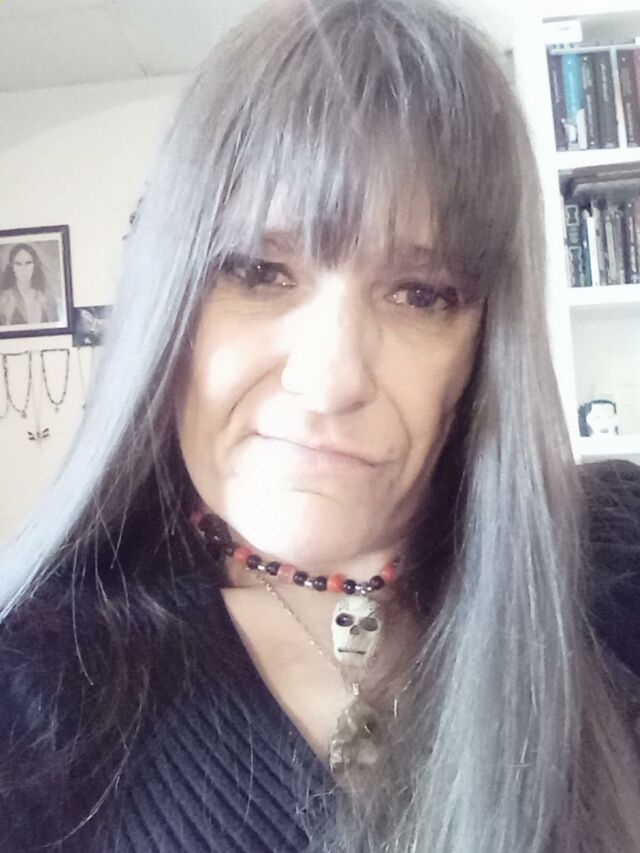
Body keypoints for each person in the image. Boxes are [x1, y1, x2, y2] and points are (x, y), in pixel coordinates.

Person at [1, 0, 639, 850]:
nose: (331, 380)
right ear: (170, 305)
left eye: (421, 294)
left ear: (484, 345)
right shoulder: (36, 681)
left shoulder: (608, 572)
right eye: (258, 271)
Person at [0, 243, 59, 325]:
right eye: (18, 264)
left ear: (35, 265)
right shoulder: (5, 298)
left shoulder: (45, 297)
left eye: (28, 263)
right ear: (12, 267)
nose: (24, 268)